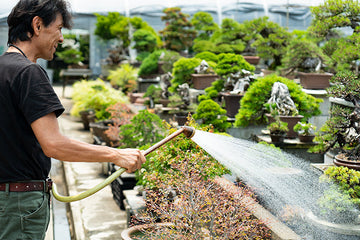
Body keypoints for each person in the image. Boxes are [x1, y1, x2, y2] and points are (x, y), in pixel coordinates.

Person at [0, 1, 146, 239]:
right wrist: (116, 155)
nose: (61, 39)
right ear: (37, 25)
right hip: (18, 205)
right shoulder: (29, 72)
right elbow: (54, 145)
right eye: (58, 28)